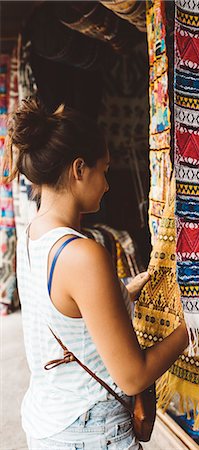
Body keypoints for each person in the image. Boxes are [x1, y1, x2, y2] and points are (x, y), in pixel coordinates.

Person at [3, 98, 189, 450]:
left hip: (49, 423)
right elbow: (133, 376)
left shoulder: (34, 234)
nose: (106, 184)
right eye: (103, 170)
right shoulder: (84, 255)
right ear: (78, 169)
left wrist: (122, 292)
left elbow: (63, 308)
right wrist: (190, 331)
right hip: (90, 431)